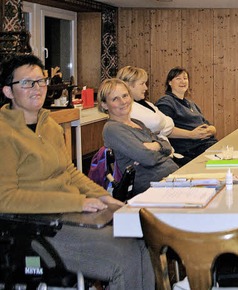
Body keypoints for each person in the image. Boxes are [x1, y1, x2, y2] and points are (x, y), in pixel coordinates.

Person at [0, 54, 154, 289]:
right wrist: (78, 202)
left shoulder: (49, 124)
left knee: (142, 239)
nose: (37, 88)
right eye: (26, 83)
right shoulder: (4, 134)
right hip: (36, 228)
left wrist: (105, 197)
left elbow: (70, 171)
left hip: (70, 216)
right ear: (8, 91)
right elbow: (6, 199)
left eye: (40, 81)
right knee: (124, 257)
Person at [98, 78, 179, 195]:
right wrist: (162, 151)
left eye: (125, 96)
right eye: (115, 99)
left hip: (171, 177)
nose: (123, 101)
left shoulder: (137, 123)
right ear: (105, 105)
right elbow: (148, 158)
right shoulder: (112, 129)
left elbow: (167, 146)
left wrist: (156, 145)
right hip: (152, 187)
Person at [156, 67, 218, 161]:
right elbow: (163, 129)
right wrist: (191, 134)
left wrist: (210, 130)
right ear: (170, 82)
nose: (183, 81)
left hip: (207, 143)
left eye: (185, 78)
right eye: (178, 78)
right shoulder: (166, 102)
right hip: (189, 149)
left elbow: (210, 126)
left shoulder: (191, 104)